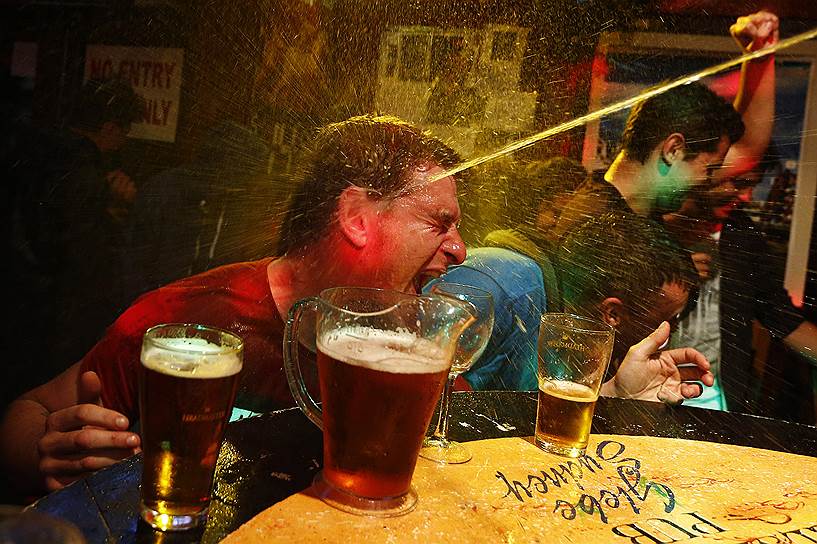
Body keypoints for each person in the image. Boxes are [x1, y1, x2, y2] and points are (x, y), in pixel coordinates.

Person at [1, 115, 710, 497]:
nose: (461, 249)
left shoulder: (406, 337)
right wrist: (39, 450)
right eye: (438, 223)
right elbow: (25, 412)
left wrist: (614, 395)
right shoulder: (193, 318)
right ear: (356, 218)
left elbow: (474, 454)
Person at [554, 10, 778, 239]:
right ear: (673, 150)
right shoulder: (599, 228)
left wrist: (759, 56)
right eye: (709, 169)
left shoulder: (628, 210)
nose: (707, 181)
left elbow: (746, 151)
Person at [444, 212, 700, 393]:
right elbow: (430, 396)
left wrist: (617, 393)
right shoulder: (500, 287)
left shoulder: (574, 333)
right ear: (612, 314)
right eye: (667, 321)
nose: (670, 335)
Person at [6, 78, 143, 404]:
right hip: (53, 316)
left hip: (19, 300)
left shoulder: (35, 151)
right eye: (123, 132)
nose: (123, 141)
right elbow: (83, 259)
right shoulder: (83, 170)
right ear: (109, 128)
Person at [664, 166, 817, 414]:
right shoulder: (651, 222)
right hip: (649, 392)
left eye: (752, 184)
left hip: (713, 400)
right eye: (739, 182)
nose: (747, 196)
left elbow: (780, 316)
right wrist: (668, 273)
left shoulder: (741, 232)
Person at [123, 121, 270, 303]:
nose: (249, 185)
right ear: (222, 168)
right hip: (155, 306)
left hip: (200, 308)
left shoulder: (235, 204)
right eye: (245, 176)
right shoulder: (164, 192)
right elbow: (133, 266)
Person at [482, 156, 587, 310]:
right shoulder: (517, 262)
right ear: (532, 208)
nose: (559, 223)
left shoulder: (549, 258)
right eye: (556, 212)